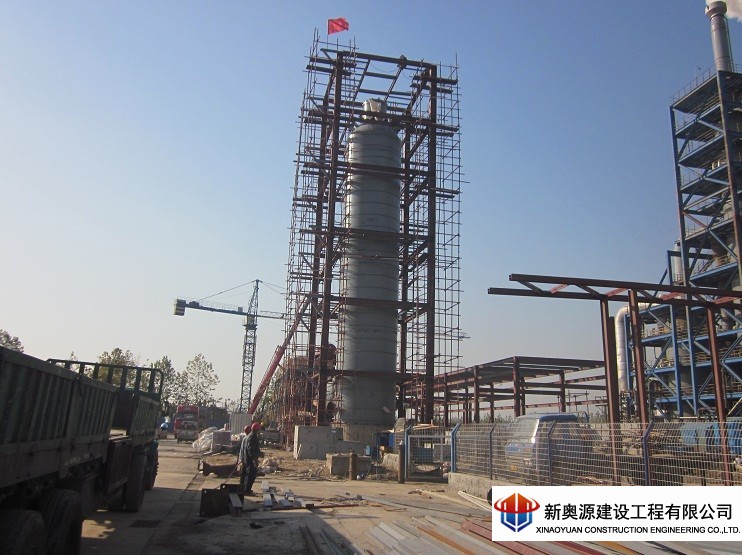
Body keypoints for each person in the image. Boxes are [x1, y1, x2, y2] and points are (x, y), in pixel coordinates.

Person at [238, 422, 261, 495]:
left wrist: (260, 453)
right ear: (257, 429)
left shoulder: (248, 436)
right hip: (250, 460)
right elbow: (251, 450)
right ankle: (247, 491)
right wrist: (254, 460)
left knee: (245, 474)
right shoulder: (253, 437)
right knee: (251, 475)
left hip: (246, 458)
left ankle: (243, 489)